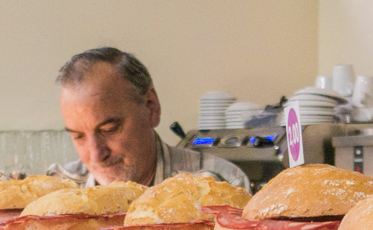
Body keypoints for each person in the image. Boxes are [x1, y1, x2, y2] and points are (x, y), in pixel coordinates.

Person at [51, 47, 250, 192]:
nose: (95, 155)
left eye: (109, 129)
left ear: (151, 107)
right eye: (78, 137)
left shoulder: (223, 185)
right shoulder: (54, 190)